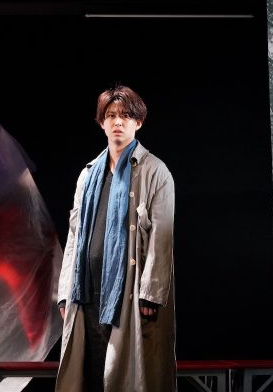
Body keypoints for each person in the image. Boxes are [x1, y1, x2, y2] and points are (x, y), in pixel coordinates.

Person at [56, 85, 176, 392]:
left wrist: (150, 294)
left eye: (125, 115)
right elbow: (74, 237)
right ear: (102, 123)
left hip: (130, 294)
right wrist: (65, 292)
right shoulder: (88, 174)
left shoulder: (155, 172)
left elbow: (161, 238)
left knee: (125, 378)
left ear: (138, 122)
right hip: (87, 293)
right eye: (110, 115)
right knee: (90, 374)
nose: (118, 121)